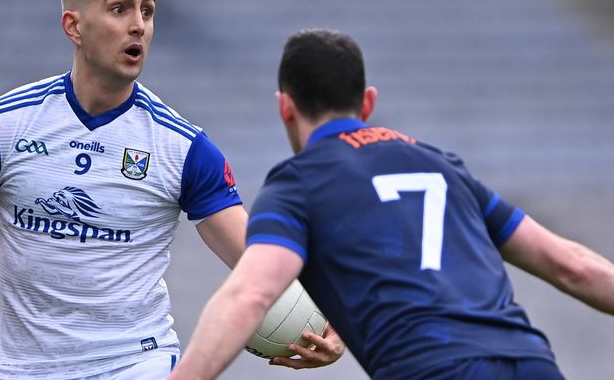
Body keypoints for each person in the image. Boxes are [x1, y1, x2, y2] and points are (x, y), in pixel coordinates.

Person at [0, 0, 344, 380]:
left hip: (137, 364)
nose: (139, 24)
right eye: (120, 8)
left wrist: (338, 328)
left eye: (147, 11)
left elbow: (261, 259)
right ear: (74, 26)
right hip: (22, 368)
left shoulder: (183, 146)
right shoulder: (2, 124)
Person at [168, 28, 614, 380]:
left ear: (285, 107)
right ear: (368, 102)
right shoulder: (442, 167)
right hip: (530, 362)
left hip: (430, 368)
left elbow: (251, 292)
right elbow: (574, 266)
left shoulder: (297, 184)